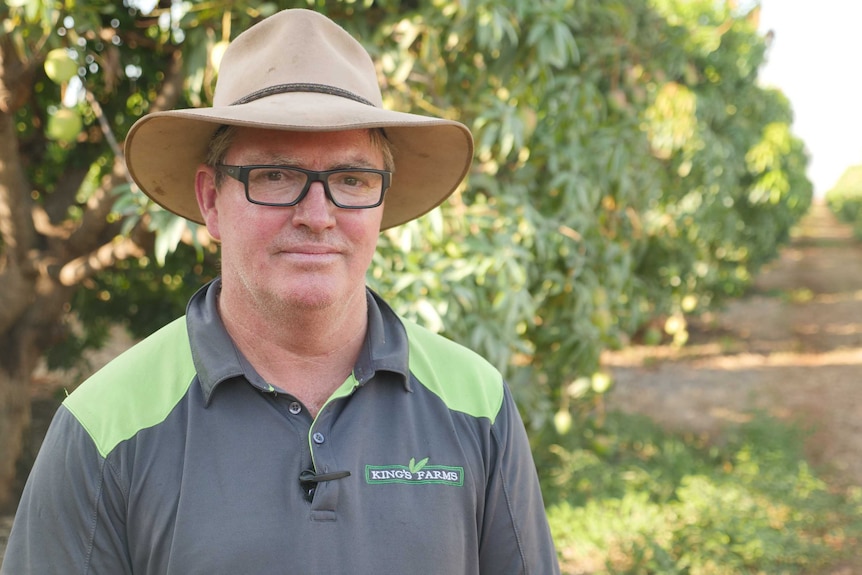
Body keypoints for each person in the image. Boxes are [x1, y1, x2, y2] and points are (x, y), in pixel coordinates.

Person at [2, 9, 560, 574]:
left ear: (382, 202)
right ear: (211, 200)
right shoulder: (105, 426)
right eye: (275, 176)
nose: (317, 216)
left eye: (351, 180)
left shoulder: (475, 402)